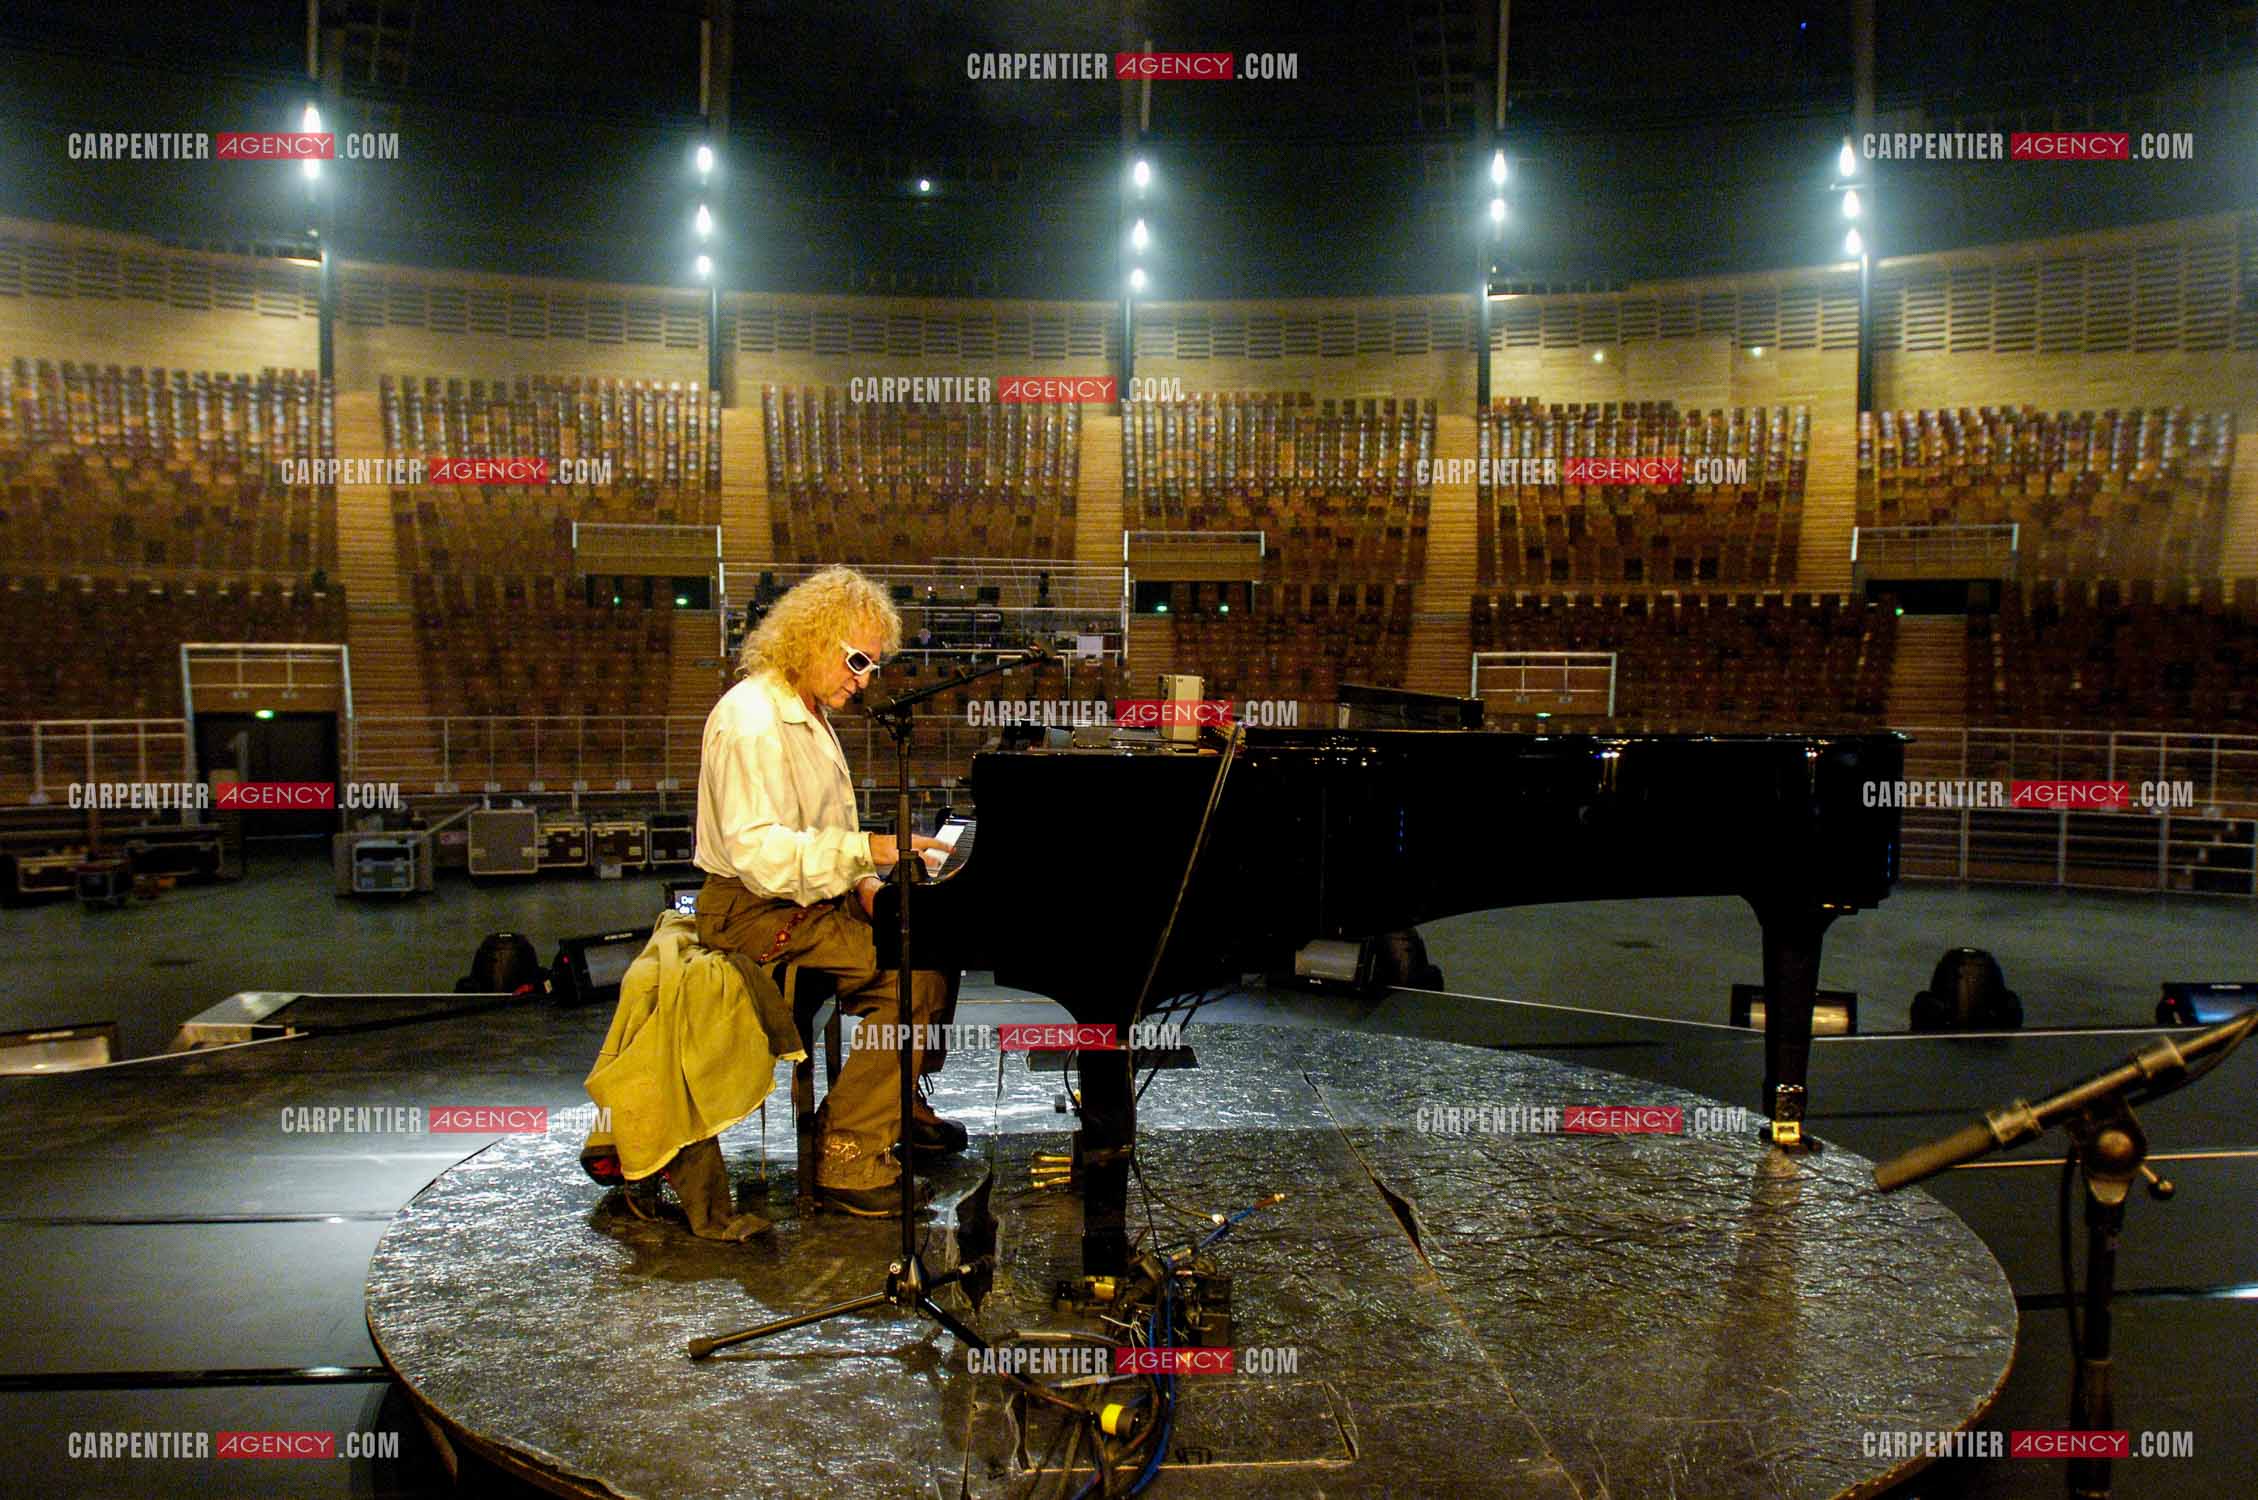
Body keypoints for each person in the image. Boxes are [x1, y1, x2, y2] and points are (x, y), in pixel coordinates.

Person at [691, 566, 965, 1216]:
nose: (866, 679)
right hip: (753, 911)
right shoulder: (754, 722)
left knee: (935, 933)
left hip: (802, 896)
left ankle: (897, 1100)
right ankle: (848, 1153)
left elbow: (823, 838)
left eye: (873, 665)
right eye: (858, 660)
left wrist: (867, 882)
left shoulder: (806, 709)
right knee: (913, 978)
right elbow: (762, 858)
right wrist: (864, 853)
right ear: (815, 638)